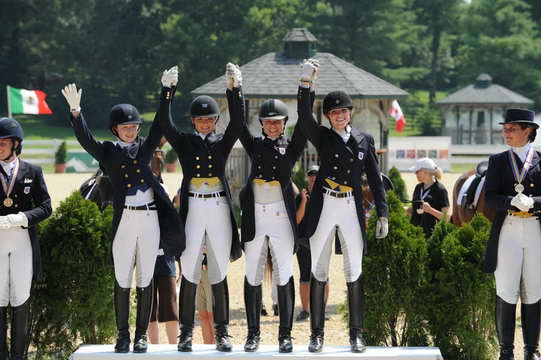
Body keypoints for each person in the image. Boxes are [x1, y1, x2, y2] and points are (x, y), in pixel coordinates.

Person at [61, 77, 184, 353]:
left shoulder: (146, 147)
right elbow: (85, 139)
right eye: (126, 127)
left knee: (146, 278)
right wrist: (76, 113)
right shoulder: (107, 151)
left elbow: (161, 123)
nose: (131, 131)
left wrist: (167, 92)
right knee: (121, 278)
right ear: (115, 129)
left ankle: (141, 335)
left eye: (134, 127)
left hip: (150, 217)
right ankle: (123, 335)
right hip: (125, 218)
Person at [297, 59, 388, 353]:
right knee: (319, 269)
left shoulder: (364, 139)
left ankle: (356, 334)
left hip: (350, 205)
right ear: (328, 116)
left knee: (354, 270)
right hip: (325, 203)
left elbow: (374, 178)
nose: (339, 115)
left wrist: (383, 212)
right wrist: (306, 85)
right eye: (334, 112)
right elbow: (302, 115)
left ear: (350, 113)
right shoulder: (322, 137)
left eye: (343, 111)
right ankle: (317, 333)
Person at [158, 65, 242, 352]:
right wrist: (167, 92)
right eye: (201, 120)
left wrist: (234, 91)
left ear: (215, 121)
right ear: (194, 122)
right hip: (194, 206)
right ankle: (185, 333)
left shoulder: (222, 141)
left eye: (209, 120)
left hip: (217, 205)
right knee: (190, 269)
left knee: (218, 269)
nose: (205, 124)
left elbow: (239, 123)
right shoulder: (185, 142)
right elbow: (165, 125)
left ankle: (223, 332)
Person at [230, 65, 312, 353]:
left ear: (284, 123)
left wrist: (305, 87)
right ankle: (253, 334)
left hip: (281, 217)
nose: (273, 126)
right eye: (268, 122)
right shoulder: (254, 146)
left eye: (277, 122)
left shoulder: (291, 149)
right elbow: (238, 124)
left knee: (284, 274)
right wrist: (235, 90)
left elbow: (306, 123)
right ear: (262, 124)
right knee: (252, 274)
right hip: (256, 217)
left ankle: (285, 335)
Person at [484, 108, 541, 360]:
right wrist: (511, 201)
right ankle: (506, 351)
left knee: (534, 290)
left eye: (511, 129)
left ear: (527, 131)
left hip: (535, 228)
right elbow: (490, 198)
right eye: (504, 129)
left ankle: (531, 350)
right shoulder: (497, 161)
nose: (506, 133)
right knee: (506, 289)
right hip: (508, 228)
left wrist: (534, 202)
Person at [0, 117, 52, 360]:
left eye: (3, 142)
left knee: (20, 296)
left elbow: (46, 207)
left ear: (16, 144)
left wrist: (22, 217)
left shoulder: (32, 171)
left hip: (22, 240)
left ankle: (18, 356)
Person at [295, 165, 330, 322]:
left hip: (321, 241)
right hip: (304, 241)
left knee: (324, 277)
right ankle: (305, 310)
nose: (313, 177)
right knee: (304, 277)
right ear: (307, 177)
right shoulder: (301, 196)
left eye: (316, 175)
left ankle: (321, 309)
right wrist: (303, 201)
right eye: (311, 175)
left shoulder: (326, 196)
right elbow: (297, 219)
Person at [408, 158, 449, 237]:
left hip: (431, 237)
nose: (415, 174)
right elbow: (414, 209)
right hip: (414, 234)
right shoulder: (418, 187)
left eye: (417, 172)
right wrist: (404, 209)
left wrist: (430, 210)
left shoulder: (441, 190)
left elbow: (446, 218)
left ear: (425, 172)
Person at [196, 254, 215, 344]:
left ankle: (216, 348)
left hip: (210, 269)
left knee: (212, 315)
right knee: (203, 315)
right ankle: (207, 346)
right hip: (196, 270)